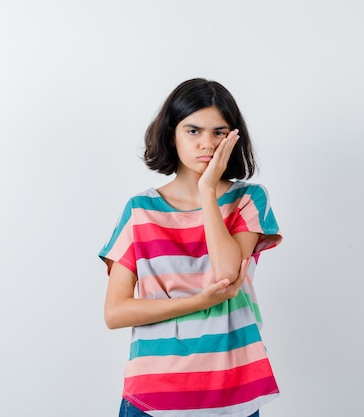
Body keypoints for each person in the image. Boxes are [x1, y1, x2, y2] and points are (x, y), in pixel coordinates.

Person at [99, 78, 283, 417]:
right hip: (152, 397)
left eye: (219, 132)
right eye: (193, 131)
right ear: (172, 134)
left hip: (232, 397)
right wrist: (199, 302)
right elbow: (115, 313)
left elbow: (227, 276)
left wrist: (208, 190)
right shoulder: (139, 210)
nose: (208, 144)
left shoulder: (249, 199)